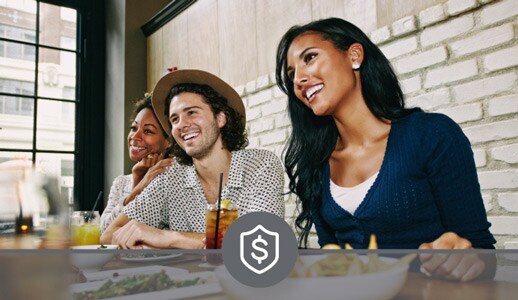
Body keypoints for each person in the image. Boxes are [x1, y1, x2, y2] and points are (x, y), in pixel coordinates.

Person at [275, 17, 495, 281]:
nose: (298, 79)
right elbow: (333, 257)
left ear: (354, 55)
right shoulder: (316, 165)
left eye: (309, 58)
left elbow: (483, 254)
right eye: (291, 74)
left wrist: (467, 260)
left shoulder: (431, 135)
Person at [100, 69, 285, 249]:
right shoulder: (169, 177)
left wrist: (167, 238)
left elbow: (262, 244)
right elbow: (109, 235)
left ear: (220, 118)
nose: (182, 125)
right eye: (174, 119)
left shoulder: (261, 164)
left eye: (192, 112)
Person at [100, 94, 174, 233]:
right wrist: (137, 183)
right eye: (134, 128)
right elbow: (104, 232)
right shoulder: (121, 183)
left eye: (147, 131)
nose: (135, 136)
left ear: (168, 141)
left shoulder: (173, 180)